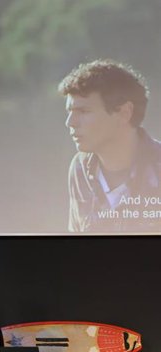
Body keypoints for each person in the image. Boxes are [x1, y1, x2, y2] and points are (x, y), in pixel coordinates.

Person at [59, 59, 161, 233]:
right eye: (70, 112)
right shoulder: (79, 170)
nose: (70, 122)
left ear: (124, 113)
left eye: (83, 111)